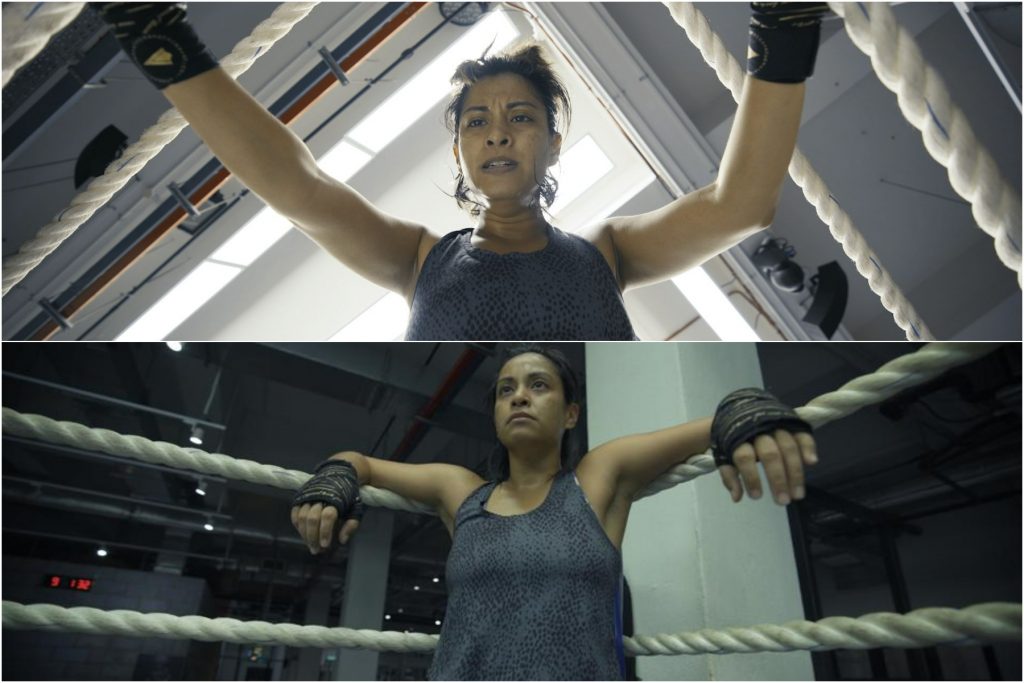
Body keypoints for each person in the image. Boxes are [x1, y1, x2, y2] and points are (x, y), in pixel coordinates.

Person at [94, 3, 828, 340]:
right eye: (476, 121)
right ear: (460, 155)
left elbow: (742, 206)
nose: (498, 132)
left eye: (520, 117)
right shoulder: (419, 258)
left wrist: (784, 26)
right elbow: (299, 188)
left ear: (551, 143)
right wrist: (157, 35)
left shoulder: (609, 251)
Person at [290, 345, 819, 680]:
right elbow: (358, 462)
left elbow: (716, 420)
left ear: (570, 413)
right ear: (496, 413)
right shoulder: (461, 492)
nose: (519, 397)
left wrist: (746, 411)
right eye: (506, 390)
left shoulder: (597, 478)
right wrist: (335, 479)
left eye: (537, 385)